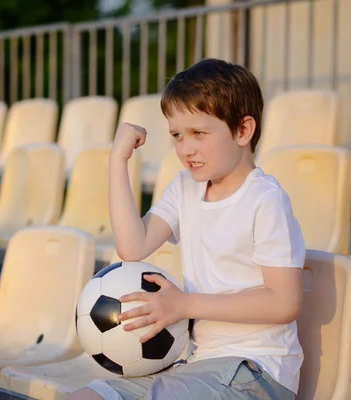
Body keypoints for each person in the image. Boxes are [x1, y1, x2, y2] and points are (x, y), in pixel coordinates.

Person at [69, 58, 306, 400]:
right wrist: (118, 161)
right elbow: (132, 247)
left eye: (198, 133)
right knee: (86, 398)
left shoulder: (265, 200)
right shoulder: (186, 188)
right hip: (201, 366)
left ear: (243, 130)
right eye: (177, 136)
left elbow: (284, 302)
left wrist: (183, 305)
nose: (185, 149)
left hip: (257, 371)